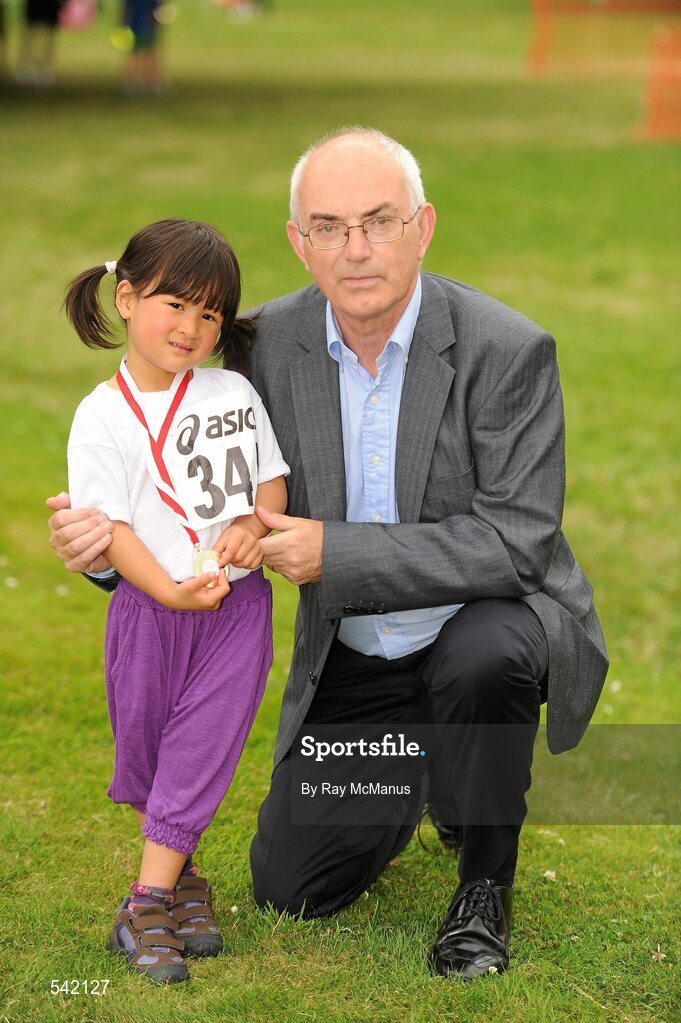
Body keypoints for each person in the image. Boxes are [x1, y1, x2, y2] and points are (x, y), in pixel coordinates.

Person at [48, 129, 608, 981]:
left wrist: (335, 552)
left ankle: (483, 881)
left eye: (378, 222)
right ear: (296, 240)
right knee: (292, 886)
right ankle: (428, 767)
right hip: (357, 653)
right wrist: (98, 551)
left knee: (484, 658)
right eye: (328, 225)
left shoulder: (506, 348)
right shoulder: (259, 346)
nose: (355, 249)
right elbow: (187, 490)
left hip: (482, 620)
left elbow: (518, 542)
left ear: (422, 226)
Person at [62, 218, 289, 984]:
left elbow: (269, 483)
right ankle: (185, 878)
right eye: (174, 305)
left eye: (211, 313)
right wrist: (164, 589)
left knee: (201, 744)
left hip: (235, 609)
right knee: (150, 749)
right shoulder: (101, 415)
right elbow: (110, 527)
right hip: (149, 610)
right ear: (126, 298)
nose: (192, 328)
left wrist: (251, 523)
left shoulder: (231, 391)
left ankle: (145, 901)